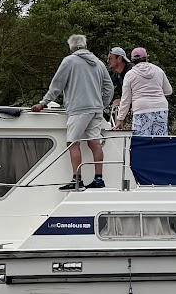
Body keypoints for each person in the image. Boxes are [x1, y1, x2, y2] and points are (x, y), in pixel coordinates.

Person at [32, 33, 115, 190]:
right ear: (84, 46)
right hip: (96, 109)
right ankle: (99, 179)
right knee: (95, 143)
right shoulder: (98, 63)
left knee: (72, 142)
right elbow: (109, 87)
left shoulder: (69, 61)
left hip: (79, 109)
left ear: (71, 47)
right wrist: (101, 104)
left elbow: (57, 85)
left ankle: (77, 179)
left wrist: (43, 103)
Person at [115, 47, 173, 136]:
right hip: (160, 108)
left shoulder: (130, 74)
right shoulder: (158, 70)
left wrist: (120, 119)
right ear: (147, 57)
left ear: (132, 60)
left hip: (141, 109)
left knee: (142, 141)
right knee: (160, 141)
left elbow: (125, 100)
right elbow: (168, 91)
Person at [106, 47, 130, 117]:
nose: (108, 61)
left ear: (119, 59)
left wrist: (122, 101)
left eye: (110, 59)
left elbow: (136, 92)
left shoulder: (131, 72)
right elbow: (108, 85)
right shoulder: (117, 74)